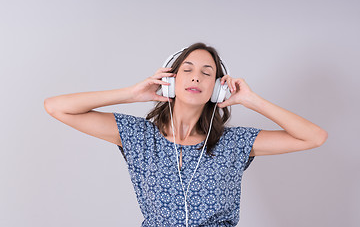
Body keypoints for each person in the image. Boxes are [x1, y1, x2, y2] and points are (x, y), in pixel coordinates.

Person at [44, 42, 328, 227]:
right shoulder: (139, 137)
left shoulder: (234, 143)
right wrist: (131, 94)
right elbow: (56, 107)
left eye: (207, 73)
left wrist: (251, 99)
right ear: (170, 81)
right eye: (187, 70)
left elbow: (314, 137)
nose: (195, 77)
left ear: (217, 89)